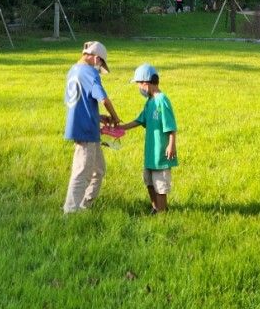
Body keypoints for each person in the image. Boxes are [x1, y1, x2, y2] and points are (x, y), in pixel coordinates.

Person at [62, 40, 121, 214]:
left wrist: (98, 117)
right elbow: (104, 99)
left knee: (98, 170)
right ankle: (71, 211)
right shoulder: (89, 72)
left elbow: (80, 102)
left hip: (85, 126)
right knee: (82, 171)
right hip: (86, 130)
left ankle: (85, 205)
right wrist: (115, 118)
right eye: (101, 63)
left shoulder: (73, 70)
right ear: (96, 59)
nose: (100, 67)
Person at [121, 63, 178, 215]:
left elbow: (171, 126)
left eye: (139, 84)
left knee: (160, 185)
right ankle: (155, 207)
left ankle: (162, 212)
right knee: (149, 181)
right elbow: (140, 120)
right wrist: (122, 128)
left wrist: (171, 145)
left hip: (161, 152)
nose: (138, 88)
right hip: (150, 153)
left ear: (146, 83)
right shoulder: (150, 102)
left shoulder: (162, 100)